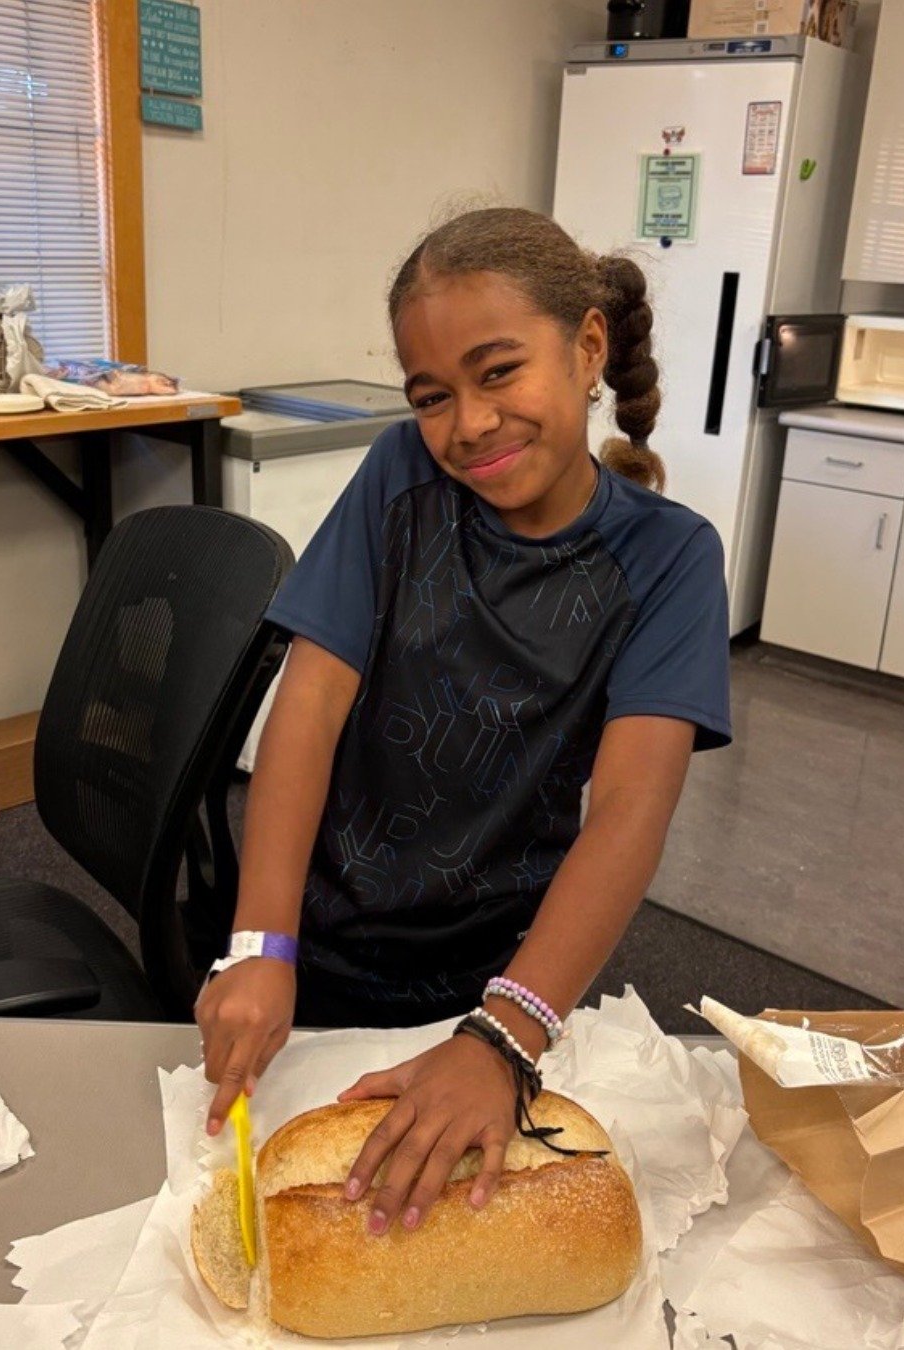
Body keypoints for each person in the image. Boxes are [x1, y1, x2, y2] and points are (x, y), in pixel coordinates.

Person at [195, 206, 731, 1239]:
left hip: (496, 975)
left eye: (498, 372)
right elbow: (308, 701)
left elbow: (630, 805)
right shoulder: (400, 477)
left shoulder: (670, 563)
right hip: (321, 935)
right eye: (433, 395)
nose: (468, 424)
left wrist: (505, 1032)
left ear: (586, 349)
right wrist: (260, 941)